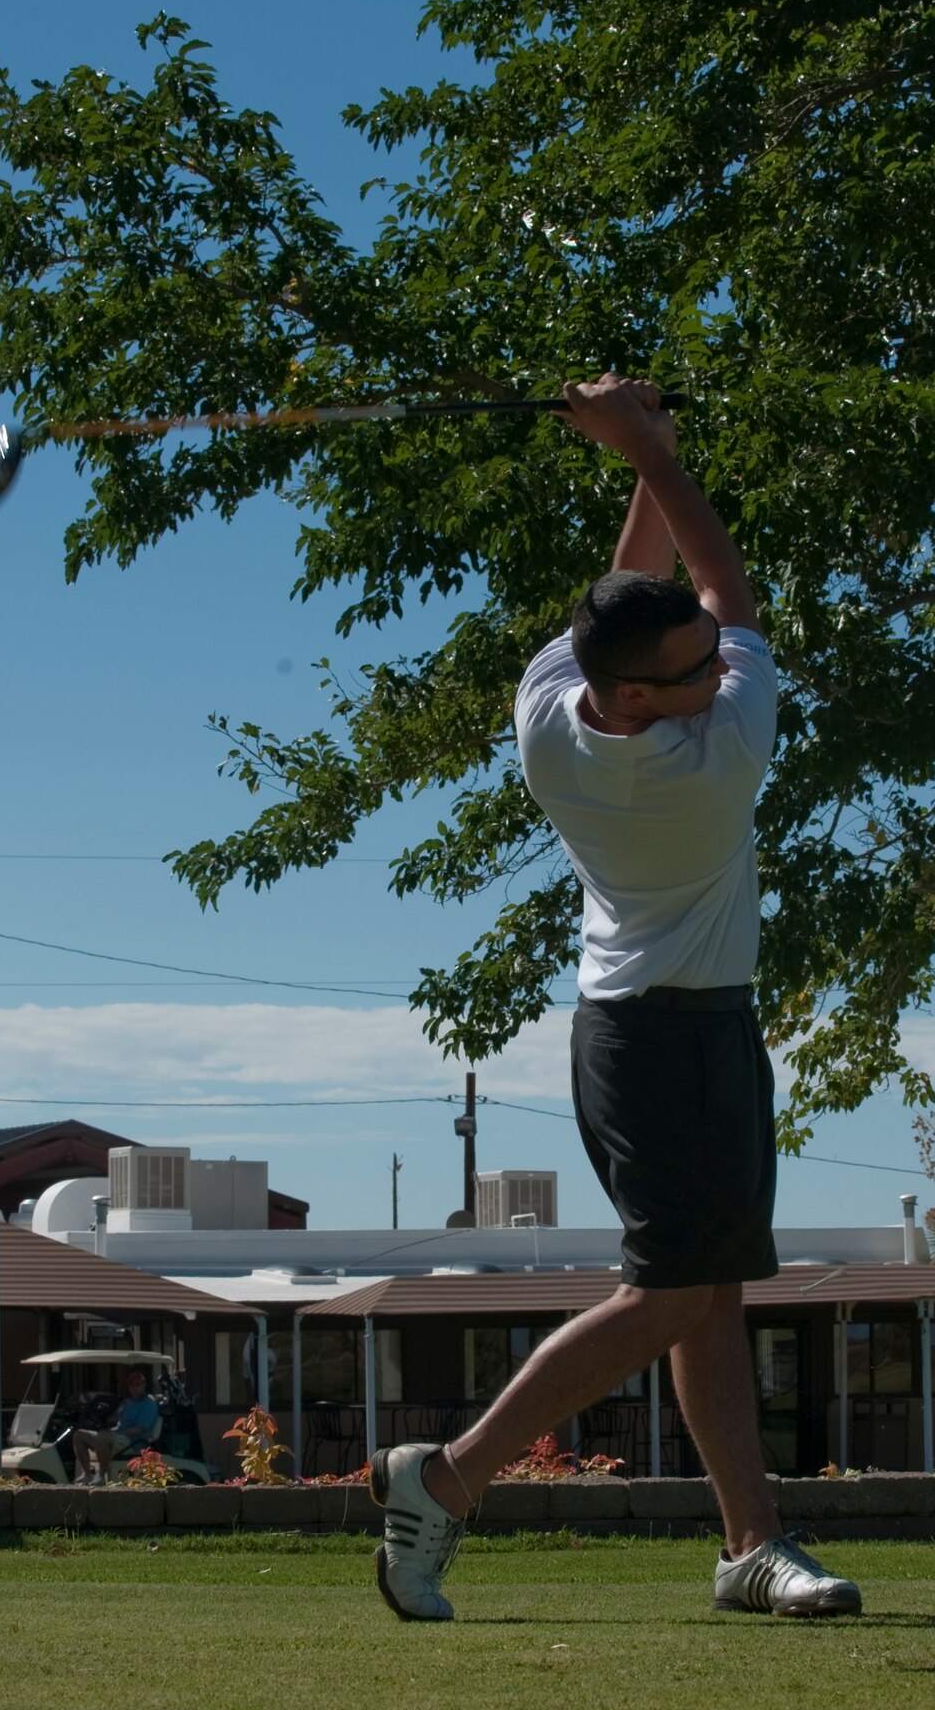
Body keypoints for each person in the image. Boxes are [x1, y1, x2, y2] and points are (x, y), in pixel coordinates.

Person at [369, 372, 861, 1624]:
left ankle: (751, 1543)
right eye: (693, 666)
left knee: (712, 1288)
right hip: (660, 1038)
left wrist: (643, 454)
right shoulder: (713, 759)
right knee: (671, 1292)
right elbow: (730, 594)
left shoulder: (551, 710)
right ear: (642, 697)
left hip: (675, 1026)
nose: (718, 662)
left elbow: (634, 599)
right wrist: (653, 452)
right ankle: (452, 1475)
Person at [72, 1368, 161, 1485]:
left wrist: (112, 1433)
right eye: (132, 1384)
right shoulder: (127, 1403)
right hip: (119, 1437)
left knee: (103, 1436)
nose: (135, 1387)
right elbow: (115, 1420)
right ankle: (87, 1475)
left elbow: (139, 1430)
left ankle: (101, 1477)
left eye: (138, 1384)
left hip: (135, 1442)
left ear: (144, 1385)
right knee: (79, 1435)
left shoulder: (149, 1403)